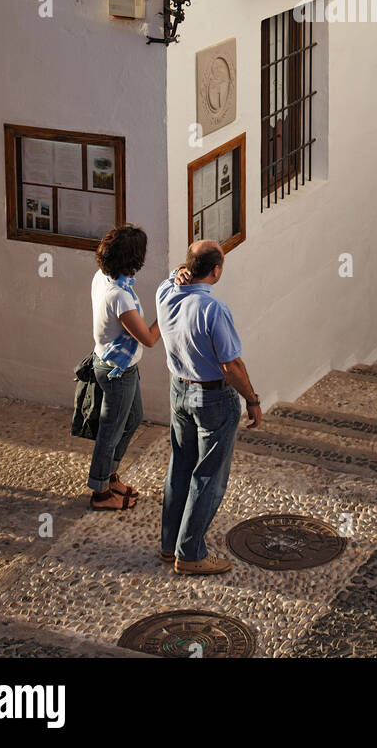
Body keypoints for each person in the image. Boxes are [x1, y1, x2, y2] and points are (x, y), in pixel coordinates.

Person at [156, 239, 262, 575]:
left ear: (187, 267)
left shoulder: (165, 292)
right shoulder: (213, 310)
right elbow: (232, 366)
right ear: (216, 271)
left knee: (180, 467)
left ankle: (169, 544)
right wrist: (252, 400)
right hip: (212, 398)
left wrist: (179, 272)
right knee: (209, 476)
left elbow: (172, 277)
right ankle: (190, 554)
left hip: (179, 391)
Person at [88, 225, 161, 510]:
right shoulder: (120, 296)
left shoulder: (102, 277)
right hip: (117, 372)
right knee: (111, 430)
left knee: (132, 419)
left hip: (115, 364)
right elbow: (150, 338)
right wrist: (169, 309)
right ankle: (100, 493)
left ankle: (109, 475)